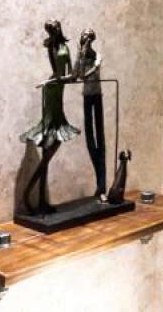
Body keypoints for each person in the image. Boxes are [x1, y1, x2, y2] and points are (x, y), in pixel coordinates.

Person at [19, 19, 80, 214]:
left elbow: (69, 74)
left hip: (56, 87)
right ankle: (35, 197)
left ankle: (38, 197)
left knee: (54, 139)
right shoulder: (52, 46)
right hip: (52, 89)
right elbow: (57, 72)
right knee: (51, 137)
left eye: (54, 28)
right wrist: (54, 80)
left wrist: (65, 77)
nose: (53, 31)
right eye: (50, 30)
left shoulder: (64, 47)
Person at [74, 29, 106, 199]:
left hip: (97, 95)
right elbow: (80, 75)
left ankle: (102, 185)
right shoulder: (82, 57)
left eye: (87, 37)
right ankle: (100, 183)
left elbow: (84, 75)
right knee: (89, 136)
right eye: (84, 37)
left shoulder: (97, 56)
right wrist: (93, 65)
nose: (85, 39)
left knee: (100, 137)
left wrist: (94, 65)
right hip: (87, 95)